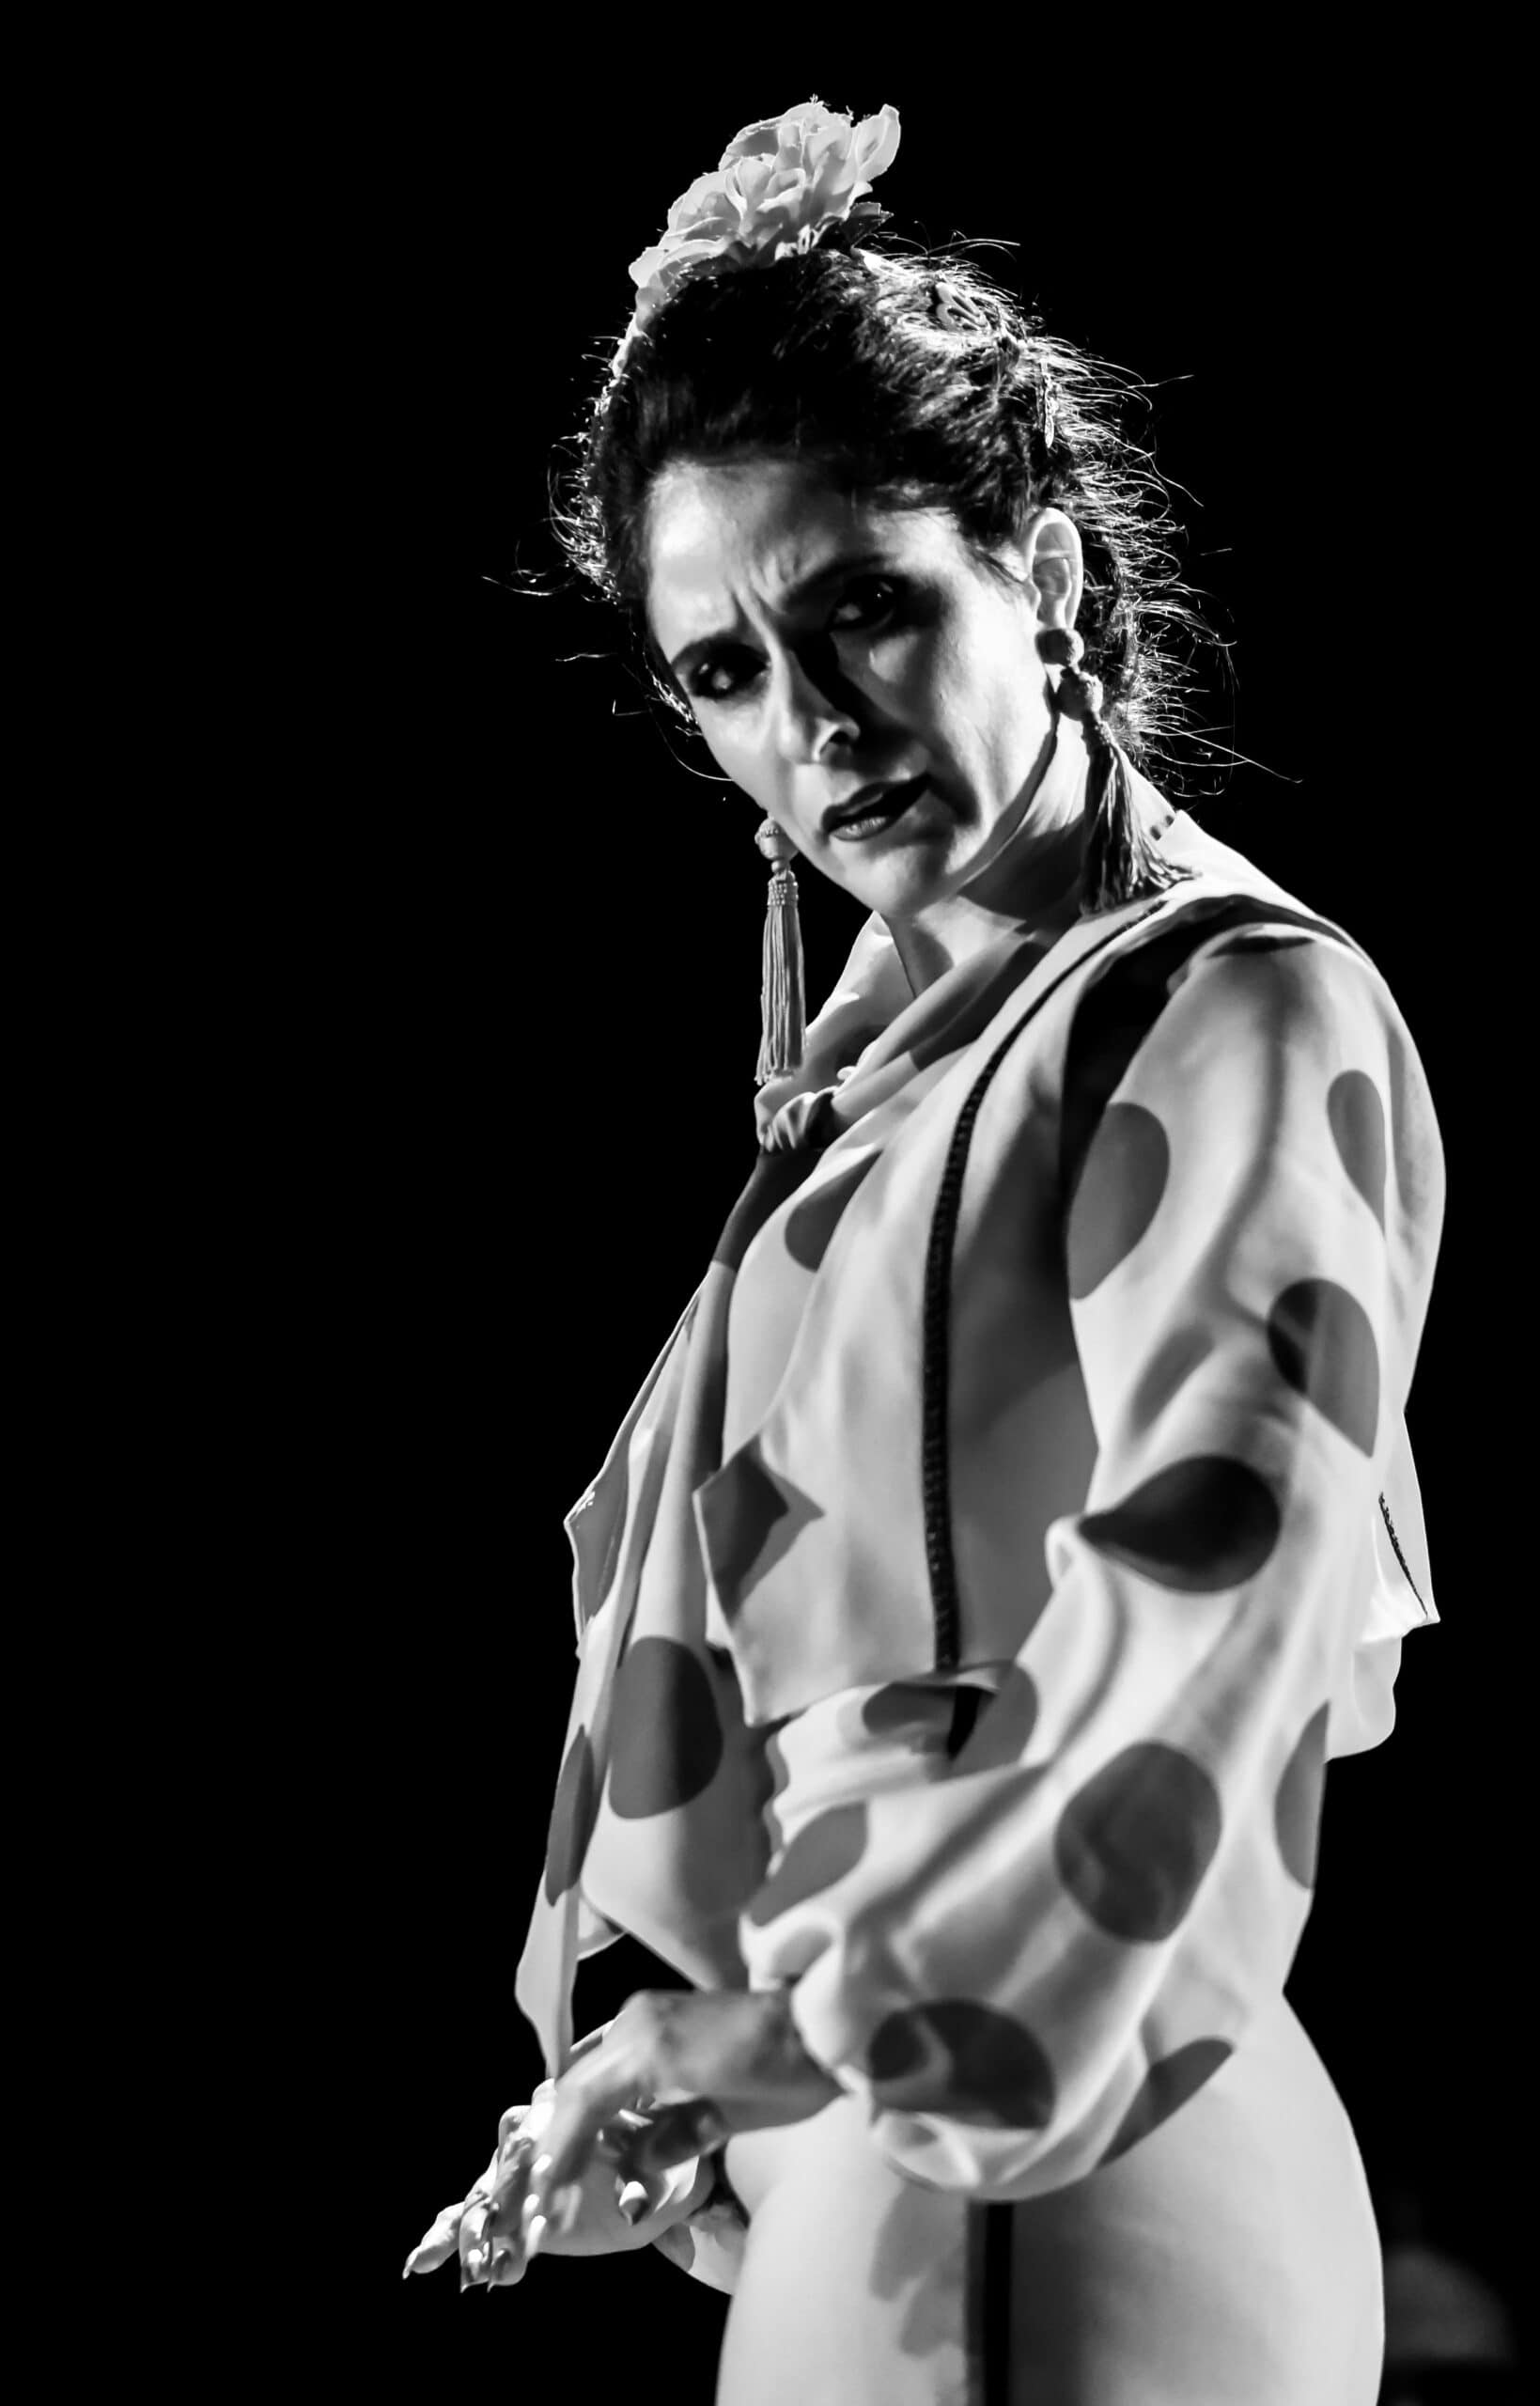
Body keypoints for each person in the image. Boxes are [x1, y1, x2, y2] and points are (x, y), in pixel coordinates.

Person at [405, 98, 1446, 2403]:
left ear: (1044, 574)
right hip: (909, 2142)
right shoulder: (890, 1098)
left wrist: (796, 2025)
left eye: (864, 602)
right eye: (724, 670)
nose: (810, 721)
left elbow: (1229, 1578)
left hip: (1060, 2127)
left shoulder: (1223, 1003)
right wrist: (732, 2077)